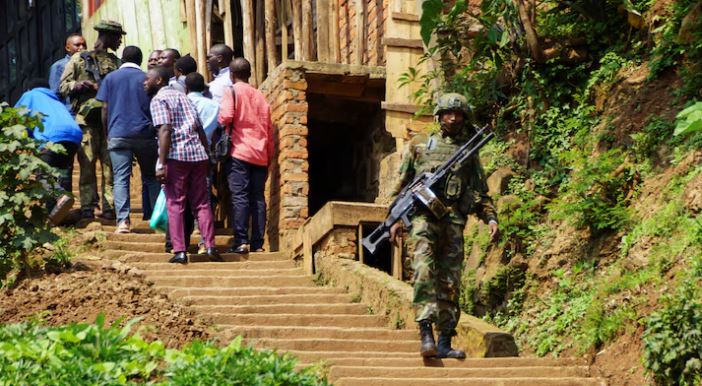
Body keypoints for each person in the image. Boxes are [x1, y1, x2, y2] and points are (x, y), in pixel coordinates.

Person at [388, 93, 499, 359]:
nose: (453, 118)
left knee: (450, 282)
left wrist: (490, 217)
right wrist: (393, 219)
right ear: (439, 116)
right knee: (423, 271)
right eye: (448, 113)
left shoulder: (468, 152)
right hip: (424, 220)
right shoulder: (419, 145)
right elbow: (401, 187)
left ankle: (445, 341)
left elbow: (479, 192)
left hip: (453, 222)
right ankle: (426, 333)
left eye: (458, 114)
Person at [145, 66, 221, 264]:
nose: (145, 83)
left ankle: (179, 251)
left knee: (176, 203)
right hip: (198, 156)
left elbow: (165, 130)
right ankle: (210, 246)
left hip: (176, 156)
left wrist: (161, 163)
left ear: (160, 80)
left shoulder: (158, 100)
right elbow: (200, 130)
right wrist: (208, 155)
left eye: (148, 79)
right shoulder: (185, 98)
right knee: (202, 203)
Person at [59, 20, 124, 220]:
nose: (119, 40)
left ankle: (109, 207)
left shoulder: (116, 62)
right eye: (117, 37)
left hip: (110, 123)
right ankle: (87, 207)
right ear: (107, 36)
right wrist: (81, 85)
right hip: (86, 122)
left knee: (109, 168)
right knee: (86, 167)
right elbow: (62, 87)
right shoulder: (79, 59)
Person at [96, 46, 159, 234]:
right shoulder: (147, 78)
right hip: (145, 134)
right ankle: (158, 223)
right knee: (152, 178)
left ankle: (123, 222)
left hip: (118, 134)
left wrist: (108, 132)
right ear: (140, 60)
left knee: (121, 179)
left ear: (122, 59)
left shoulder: (111, 78)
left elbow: (104, 108)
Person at [218, 58, 274, 254]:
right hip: (260, 155)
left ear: (232, 75)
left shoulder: (231, 91)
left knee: (240, 197)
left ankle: (241, 241)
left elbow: (225, 117)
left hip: (239, 153)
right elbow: (269, 129)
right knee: (258, 198)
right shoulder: (261, 96)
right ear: (249, 74)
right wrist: (269, 157)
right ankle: (258, 244)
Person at [15, 78, 83, 225]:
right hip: (73, 136)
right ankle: (58, 216)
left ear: (29, 89)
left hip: (52, 137)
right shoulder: (56, 100)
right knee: (62, 175)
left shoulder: (30, 95)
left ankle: (60, 195)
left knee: (42, 175)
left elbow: (15, 121)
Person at [48, 33, 87, 111]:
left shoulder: (89, 63)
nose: (81, 48)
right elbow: (55, 93)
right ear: (68, 48)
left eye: (84, 45)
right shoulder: (59, 66)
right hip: (69, 112)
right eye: (77, 45)